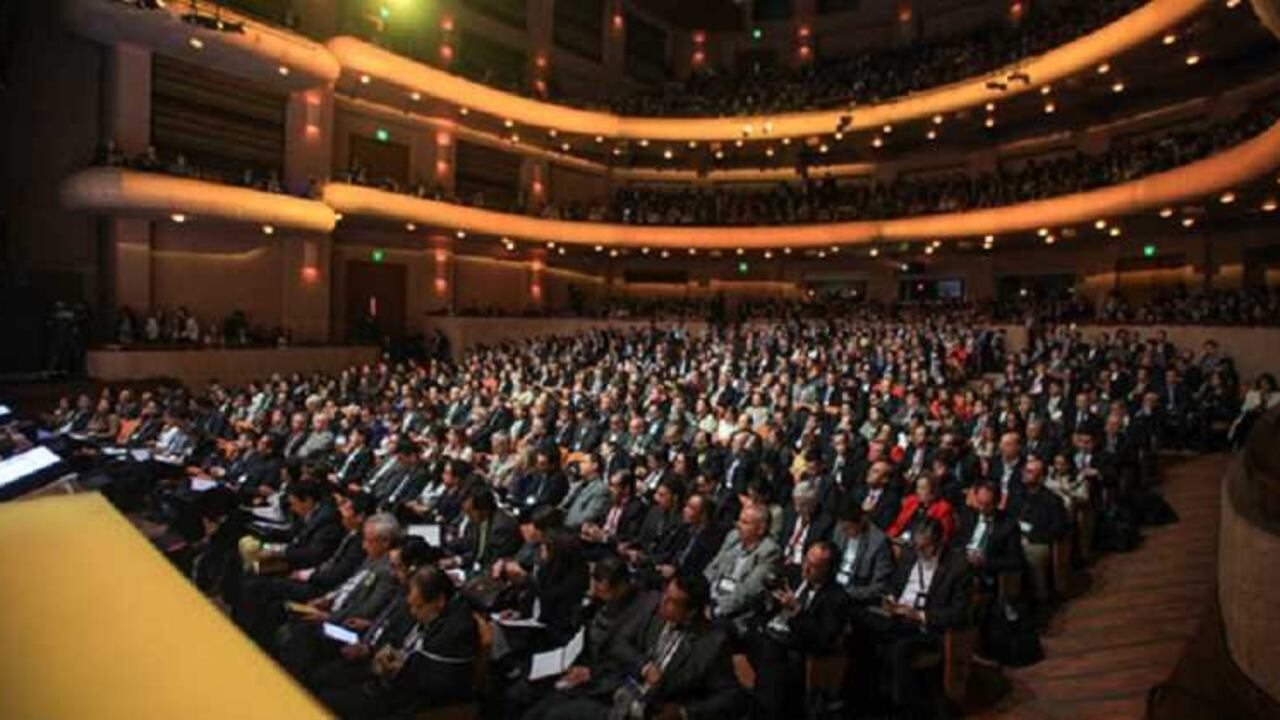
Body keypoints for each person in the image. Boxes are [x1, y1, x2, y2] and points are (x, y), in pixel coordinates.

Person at [540, 573, 745, 720]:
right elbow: (620, 644)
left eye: (672, 601)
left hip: (653, 710)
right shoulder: (656, 611)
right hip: (619, 691)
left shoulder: (713, 644)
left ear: (690, 612)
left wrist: (684, 712)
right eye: (665, 595)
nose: (663, 603)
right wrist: (644, 665)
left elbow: (730, 697)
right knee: (550, 705)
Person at [317, 566, 480, 718]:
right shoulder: (425, 611)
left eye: (418, 607)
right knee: (322, 680)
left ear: (439, 600)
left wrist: (396, 668)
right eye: (411, 606)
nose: (413, 612)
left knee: (326, 702)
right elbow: (397, 640)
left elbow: (438, 683)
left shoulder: (457, 629)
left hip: (413, 702)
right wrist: (384, 653)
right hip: (389, 683)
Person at [753, 540, 850, 720]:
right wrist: (768, 600)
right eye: (806, 561)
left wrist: (796, 611)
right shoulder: (792, 575)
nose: (806, 569)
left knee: (773, 655)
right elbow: (763, 606)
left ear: (829, 570)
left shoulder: (837, 598)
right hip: (767, 632)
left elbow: (823, 640)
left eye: (814, 566)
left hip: (795, 647)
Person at [704, 504, 781, 634]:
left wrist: (716, 608)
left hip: (737, 615)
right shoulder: (733, 537)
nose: (738, 525)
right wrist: (702, 594)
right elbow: (713, 567)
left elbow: (748, 592)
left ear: (760, 529)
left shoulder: (769, 552)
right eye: (739, 520)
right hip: (712, 598)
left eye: (745, 522)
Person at [1010, 458, 1069, 607]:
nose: (1024, 474)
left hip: (1038, 541)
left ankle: (1041, 597)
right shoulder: (1018, 495)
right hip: (1015, 537)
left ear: (1041, 477)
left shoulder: (1052, 500)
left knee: (1032, 555)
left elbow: (1059, 529)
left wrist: (1031, 537)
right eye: (1025, 470)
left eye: (1029, 472)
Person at [830, 498, 895, 607]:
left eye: (849, 528)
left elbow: (880, 585)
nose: (845, 532)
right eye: (843, 528)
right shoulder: (840, 529)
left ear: (862, 521)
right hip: (833, 586)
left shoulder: (878, 542)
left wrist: (849, 593)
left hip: (855, 595)